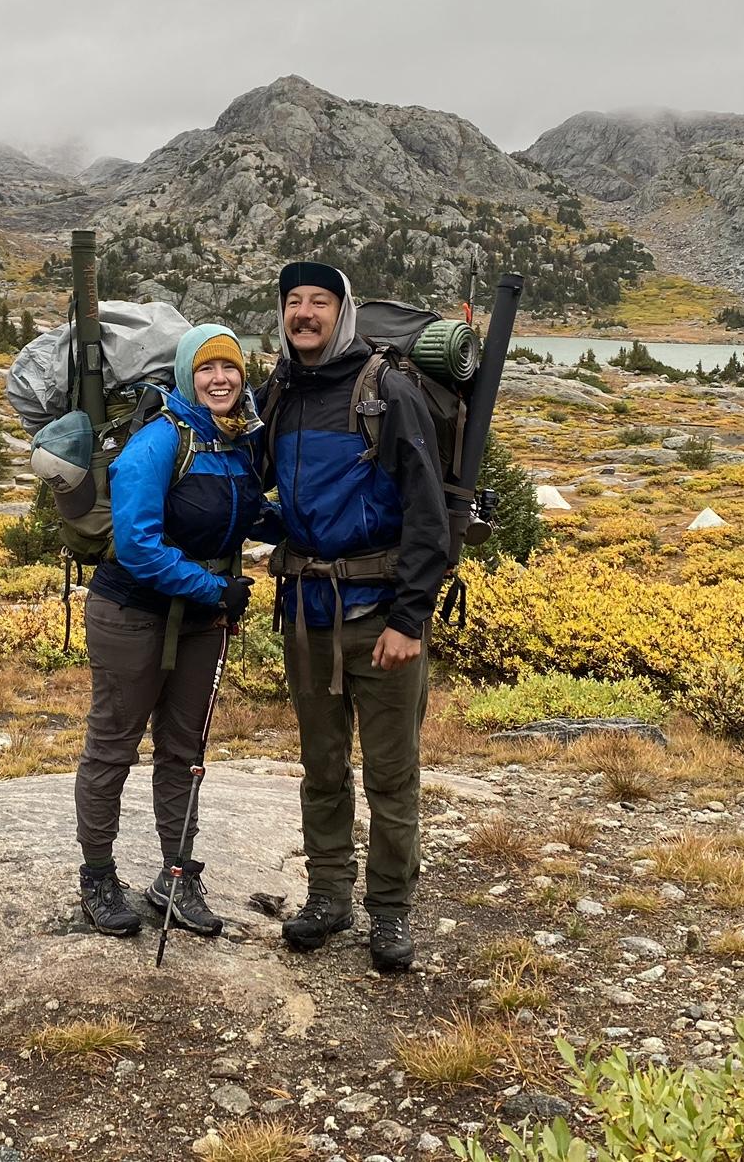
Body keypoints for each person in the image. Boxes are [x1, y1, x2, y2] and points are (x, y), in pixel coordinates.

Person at [257, 261, 449, 972]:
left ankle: (391, 914)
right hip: (307, 616)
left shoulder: (385, 390)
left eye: (319, 301)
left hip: (380, 616)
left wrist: (410, 619)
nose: (304, 313)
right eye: (293, 302)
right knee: (322, 768)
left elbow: (428, 517)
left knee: (391, 777)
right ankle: (328, 898)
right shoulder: (279, 390)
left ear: (344, 313)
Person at [74, 323, 263, 939]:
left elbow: (250, 514)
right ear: (186, 374)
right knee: (113, 747)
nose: (220, 379)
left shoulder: (236, 442)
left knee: (185, 754)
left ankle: (176, 877)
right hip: (133, 614)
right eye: (207, 368)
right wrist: (214, 589)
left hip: (203, 621)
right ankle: (98, 877)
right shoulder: (159, 442)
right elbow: (136, 546)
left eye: (230, 368)